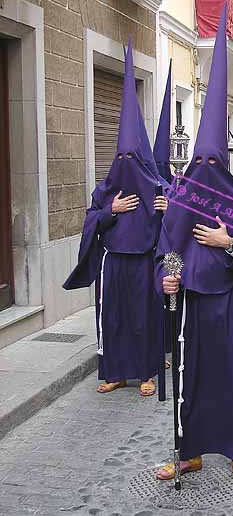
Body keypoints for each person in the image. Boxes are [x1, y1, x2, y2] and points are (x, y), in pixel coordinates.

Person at [155, 6, 233, 486]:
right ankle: (191, 451)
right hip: (192, 309)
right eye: (195, 159)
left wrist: (230, 245)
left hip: (231, 307)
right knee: (192, 378)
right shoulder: (183, 196)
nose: (202, 165)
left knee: (231, 376)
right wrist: (168, 276)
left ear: (221, 162)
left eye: (210, 158)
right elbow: (170, 245)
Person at [63, 43, 168, 397]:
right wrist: (112, 212)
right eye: (119, 155)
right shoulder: (105, 189)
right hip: (112, 265)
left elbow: (174, 229)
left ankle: (148, 373)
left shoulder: (158, 188)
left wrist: (166, 209)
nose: (124, 161)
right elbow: (91, 221)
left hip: (143, 264)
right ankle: (116, 372)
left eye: (130, 156)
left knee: (144, 320)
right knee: (113, 320)